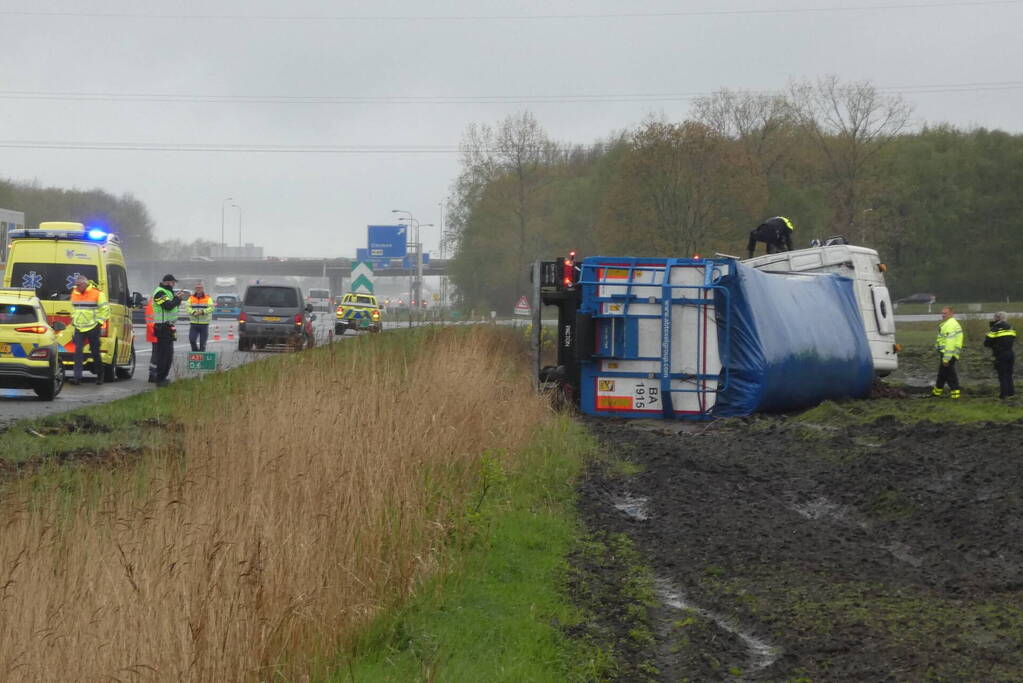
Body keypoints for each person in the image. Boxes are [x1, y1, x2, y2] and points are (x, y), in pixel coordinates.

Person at [69, 274, 110, 385]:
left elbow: (105, 310)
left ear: (85, 284)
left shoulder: (97, 293)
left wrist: (99, 323)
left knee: (95, 352)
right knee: (78, 352)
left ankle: (100, 375)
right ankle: (77, 377)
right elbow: (73, 308)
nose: (77, 287)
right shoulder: (75, 292)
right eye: (76, 284)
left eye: (79, 285)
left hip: (93, 326)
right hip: (79, 327)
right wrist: (73, 319)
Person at [151, 274, 184, 387]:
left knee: (169, 354)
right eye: (173, 282)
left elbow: (174, 306)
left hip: (169, 327)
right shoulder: (159, 292)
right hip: (162, 327)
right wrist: (176, 299)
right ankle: (160, 379)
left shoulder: (168, 292)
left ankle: (163, 378)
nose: (174, 284)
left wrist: (178, 299)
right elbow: (168, 306)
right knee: (163, 355)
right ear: (167, 282)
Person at [983, 311, 1016, 399]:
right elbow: (1012, 339)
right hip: (1010, 353)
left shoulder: (995, 328)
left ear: (997, 318)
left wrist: (987, 336)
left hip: (1000, 354)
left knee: (1002, 375)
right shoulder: (1010, 327)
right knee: (1009, 373)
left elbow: (987, 343)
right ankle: (1011, 392)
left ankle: (1003, 395)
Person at [933, 306, 963, 399]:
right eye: (942, 313)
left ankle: (955, 394)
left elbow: (950, 342)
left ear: (951, 314)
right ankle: (936, 393)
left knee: (950, 375)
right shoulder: (948, 323)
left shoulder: (950, 325)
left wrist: (946, 358)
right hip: (947, 353)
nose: (943, 315)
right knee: (942, 374)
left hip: (948, 354)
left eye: (945, 313)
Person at [187, 283, 213, 352]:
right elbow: (187, 307)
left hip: (204, 324)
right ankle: (195, 353)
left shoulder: (208, 298)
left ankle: (201, 358)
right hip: (194, 323)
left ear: (202, 289)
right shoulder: (191, 298)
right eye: (197, 288)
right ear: (195, 289)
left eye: (200, 288)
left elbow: (211, 308)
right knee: (192, 340)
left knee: (203, 344)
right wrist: (193, 312)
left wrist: (202, 312)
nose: (198, 289)